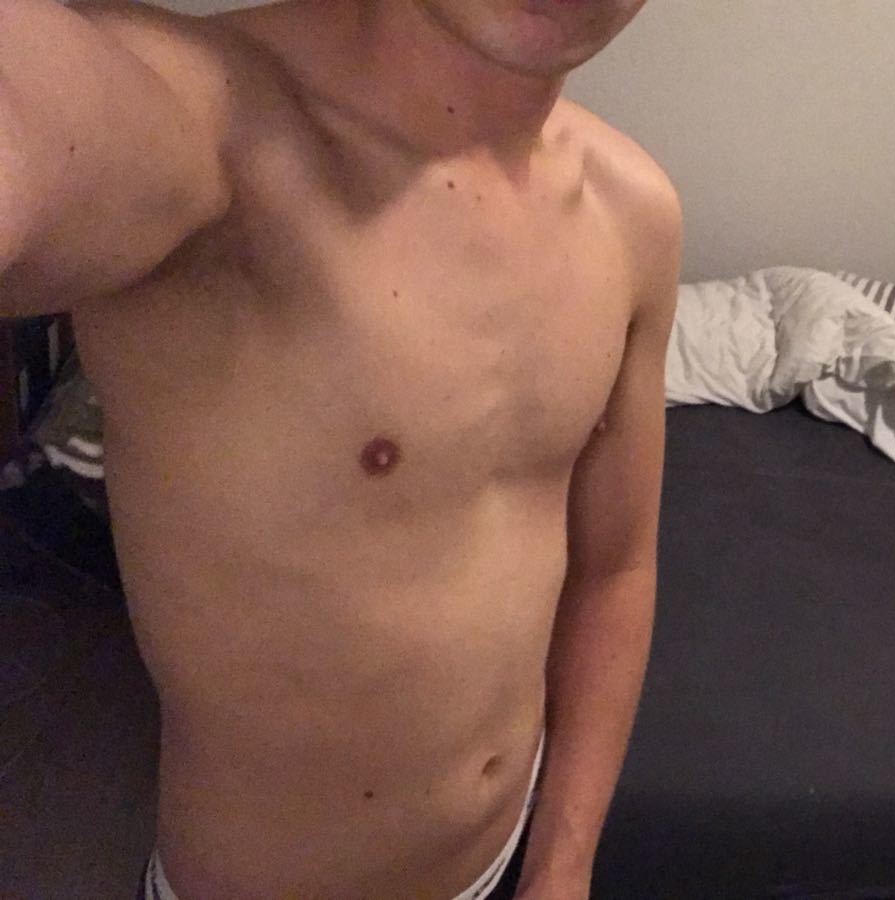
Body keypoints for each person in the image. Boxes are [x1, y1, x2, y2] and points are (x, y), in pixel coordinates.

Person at [0, 0, 678, 896]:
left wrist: (564, 863)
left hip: (500, 865)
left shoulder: (634, 211)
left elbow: (613, 568)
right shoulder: (213, 127)